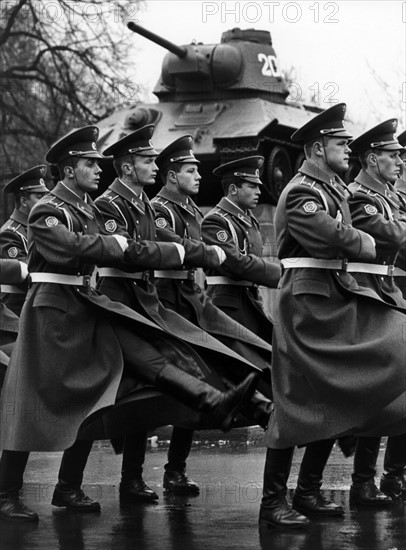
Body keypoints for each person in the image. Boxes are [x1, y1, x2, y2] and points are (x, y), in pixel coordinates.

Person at [0, 126, 258, 522]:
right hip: (51, 312)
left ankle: (212, 403)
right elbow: (68, 249)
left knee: (110, 385)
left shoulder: (84, 208)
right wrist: (115, 246)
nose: (97, 170)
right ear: (69, 171)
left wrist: (157, 250)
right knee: (29, 404)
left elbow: (121, 248)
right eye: (89, 164)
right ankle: (6, 493)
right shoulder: (47, 210)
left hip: (85, 303)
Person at [94, 126, 261, 503]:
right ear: (126, 168)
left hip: (161, 298)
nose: (199, 176)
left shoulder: (155, 206)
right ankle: (79, 483)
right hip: (136, 300)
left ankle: (165, 471)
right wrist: (191, 253)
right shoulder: (142, 207)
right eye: (148, 160)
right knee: (116, 396)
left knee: (165, 382)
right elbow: (142, 251)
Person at [259, 103, 406, 529]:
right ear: (318, 148)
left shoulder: (333, 190)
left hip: (332, 298)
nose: (348, 149)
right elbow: (330, 235)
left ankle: (305, 491)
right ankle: (272, 502)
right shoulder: (303, 192)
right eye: (341, 144)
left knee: (335, 400)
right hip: (307, 305)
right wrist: (361, 240)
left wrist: (355, 240)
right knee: (293, 403)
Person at [151, 137, 274, 495]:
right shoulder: (184, 213)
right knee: (198, 378)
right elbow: (224, 260)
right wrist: (276, 271)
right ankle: (161, 471)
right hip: (200, 302)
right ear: (172, 176)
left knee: (226, 373)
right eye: (191, 170)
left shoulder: (197, 211)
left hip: (216, 300)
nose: (197, 176)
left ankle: (173, 470)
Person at [346, 120, 406, 505]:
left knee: (396, 391)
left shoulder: (390, 198)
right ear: (372, 158)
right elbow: (397, 236)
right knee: (376, 393)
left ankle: (392, 475)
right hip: (368, 298)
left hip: (390, 294)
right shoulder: (359, 198)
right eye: (393, 155)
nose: (400, 162)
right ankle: (364, 480)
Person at [201, 155, 279, 342]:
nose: (259, 191)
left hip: (250, 300)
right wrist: (281, 274)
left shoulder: (248, 219)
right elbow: (235, 263)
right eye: (252, 186)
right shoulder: (216, 221)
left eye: (258, 186)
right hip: (227, 305)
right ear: (233, 189)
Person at [0, 166, 49, 315]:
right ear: (23, 201)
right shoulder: (9, 233)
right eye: (39, 197)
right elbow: (27, 274)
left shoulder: (40, 227)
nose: (46, 201)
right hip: (17, 312)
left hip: (37, 305)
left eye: (46, 196)